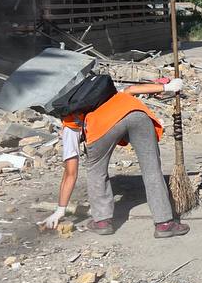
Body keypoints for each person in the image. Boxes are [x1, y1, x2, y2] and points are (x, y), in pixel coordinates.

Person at [43, 80, 190, 238]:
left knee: (95, 170)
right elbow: (131, 89)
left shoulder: (70, 122)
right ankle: (165, 224)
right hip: (136, 113)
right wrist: (168, 87)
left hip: (102, 127)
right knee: (151, 169)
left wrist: (60, 210)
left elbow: (70, 173)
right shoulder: (106, 95)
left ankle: (102, 222)